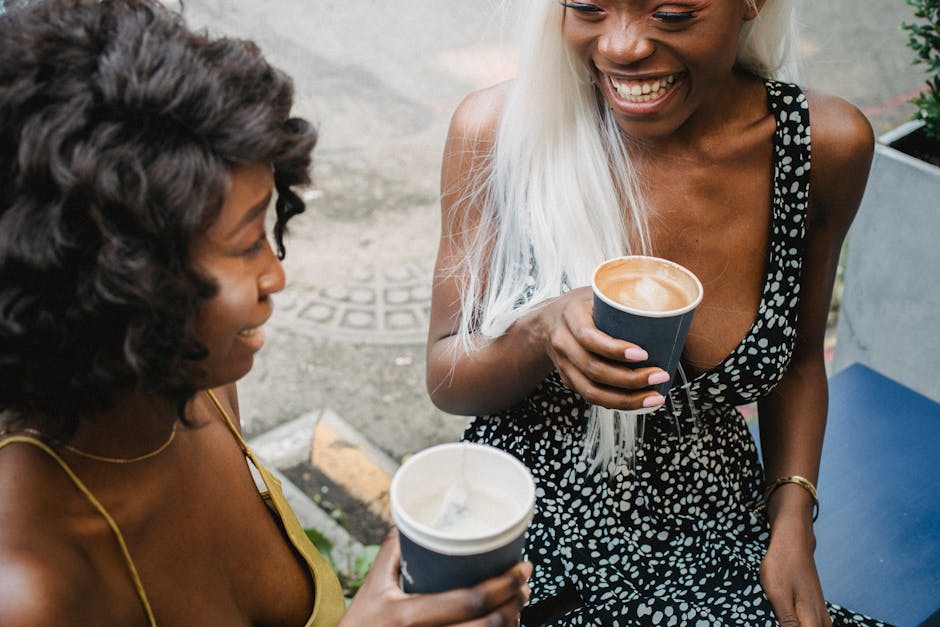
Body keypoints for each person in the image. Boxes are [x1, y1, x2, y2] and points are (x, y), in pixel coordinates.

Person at [0, 1, 532, 625]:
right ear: (117, 281)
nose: (276, 275)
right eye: (247, 243)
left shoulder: (200, 384)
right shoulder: (30, 591)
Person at [427, 1, 890, 625]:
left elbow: (800, 360)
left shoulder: (822, 148)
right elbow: (447, 377)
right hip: (523, 531)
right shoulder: (499, 130)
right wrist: (541, 330)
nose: (620, 47)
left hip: (716, 540)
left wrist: (791, 523)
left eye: (671, 13)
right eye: (589, 6)